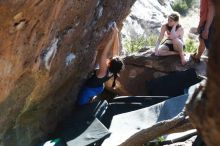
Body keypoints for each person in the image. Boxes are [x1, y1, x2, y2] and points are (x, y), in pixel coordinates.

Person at [78, 23, 124, 105]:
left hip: (89, 90)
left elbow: (104, 54)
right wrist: (116, 34)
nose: (110, 58)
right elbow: (116, 52)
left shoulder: (103, 71)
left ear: (109, 64)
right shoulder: (114, 70)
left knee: (81, 106)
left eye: (110, 59)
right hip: (99, 88)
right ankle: (92, 98)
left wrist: (110, 40)